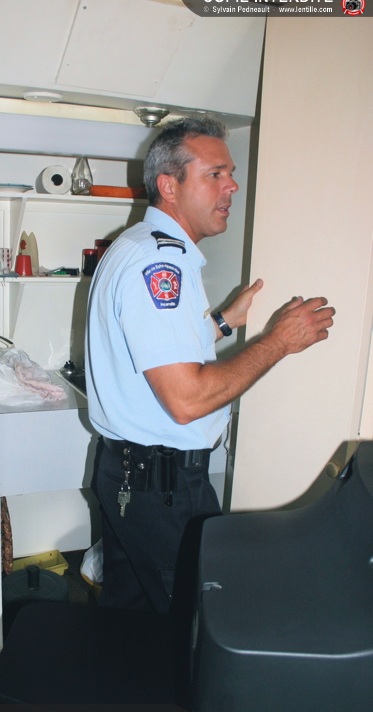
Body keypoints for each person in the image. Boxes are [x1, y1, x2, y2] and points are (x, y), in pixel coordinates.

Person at [84, 116, 335, 613]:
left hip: (132, 477)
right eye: (215, 174)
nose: (232, 186)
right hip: (162, 489)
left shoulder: (137, 245)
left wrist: (221, 322)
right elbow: (187, 399)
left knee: (131, 622)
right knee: (193, 627)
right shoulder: (162, 264)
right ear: (169, 186)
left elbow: (156, 349)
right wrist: (279, 342)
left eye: (231, 173)